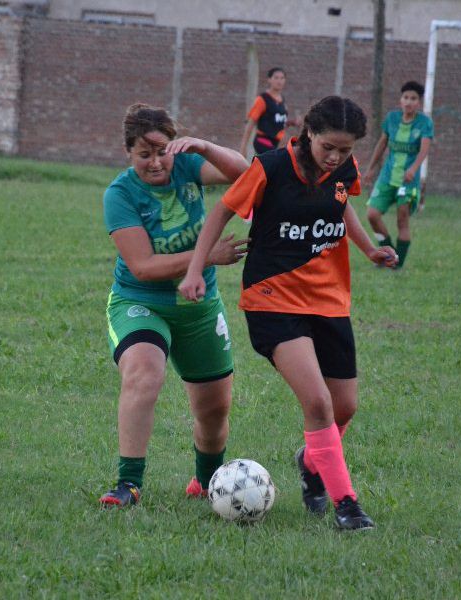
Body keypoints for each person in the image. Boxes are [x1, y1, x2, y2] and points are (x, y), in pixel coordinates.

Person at [179, 96, 398, 531]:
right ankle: (347, 506)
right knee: (317, 402)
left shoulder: (343, 171)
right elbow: (221, 212)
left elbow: (343, 205)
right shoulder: (271, 168)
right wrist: (194, 269)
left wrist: (369, 248)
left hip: (328, 300)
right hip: (272, 299)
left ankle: (313, 462)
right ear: (307, 133)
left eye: (346, 150)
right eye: (328, 147)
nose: (336, 157)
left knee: (344, 408)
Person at [99, 103, 250, 507]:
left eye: (161, 151)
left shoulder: (186, 167)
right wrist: (206, 256)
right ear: (128, 154)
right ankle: (129, 484)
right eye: (143, 155)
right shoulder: (120, 194)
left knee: (214, 410)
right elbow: (144, 266)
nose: (154, 163)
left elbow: (244, 173)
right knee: (144, 374)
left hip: (200, 307)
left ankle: (206, 483)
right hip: (140, 301)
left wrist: (202, 146)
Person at [362, 81, 434, 268]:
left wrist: (413, 168)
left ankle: (397, 264)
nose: (408, 102)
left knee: (402, 218)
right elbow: (382, 143)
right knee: (372, 214)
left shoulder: (424, 123)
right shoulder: (392, 119)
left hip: (407, 181)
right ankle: (388, 254)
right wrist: (370, 168)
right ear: (400, 100)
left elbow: (424, 150)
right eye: (405, 98)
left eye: (413, 98)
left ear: (419, 102)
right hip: (387, 177)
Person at [239, 67, 301, 158]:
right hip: (263, 140)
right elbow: (250, 123)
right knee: (277, 163)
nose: (279, 81)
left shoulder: (282, 100)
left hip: (275, 142)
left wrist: (293, 123)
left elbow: (278, 122)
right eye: (276, 78)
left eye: (282, 78)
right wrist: (243, 147)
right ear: (269, 80)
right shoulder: (263, 99)